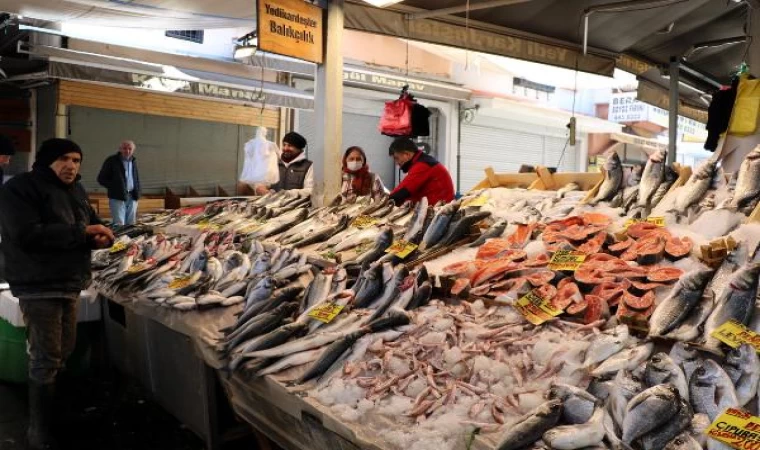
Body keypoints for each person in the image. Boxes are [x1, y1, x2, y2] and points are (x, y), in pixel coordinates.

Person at [0, 138, 114, 450]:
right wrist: (83, 234)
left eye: (77, 160)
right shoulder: (20, 189)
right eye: (64, 158)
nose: (71, 166)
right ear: (48, 160)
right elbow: (26, 234)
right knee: (46, 356)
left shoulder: (76, 189)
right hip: (38, 284)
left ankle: (56, 416)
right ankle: (38, 431)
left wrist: (100, 236)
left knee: (63, 351)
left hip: (69, 282)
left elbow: (90, 223)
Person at [388, 138, 455, 205]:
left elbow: (403, 191)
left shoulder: (423, 165)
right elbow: (404, 188)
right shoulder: (423, 162)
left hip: (439, 210)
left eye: (396, 158)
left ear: (407, 154)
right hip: (433, 206)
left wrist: (385, 201)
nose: (396, 163)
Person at [97, 140, 141, 226]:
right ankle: (119, 239)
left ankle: (130, 240)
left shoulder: (133, 161)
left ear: (133, 150)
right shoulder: (111, 160)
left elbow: (136, 178)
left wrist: (138, 192)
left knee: (131, 224)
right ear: (120, 149)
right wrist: (115, 187)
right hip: (117, 197)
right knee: (119, 224)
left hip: (132, 197)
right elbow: (101, 179)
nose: (127, 151)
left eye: (130, 149)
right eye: (124, 148)